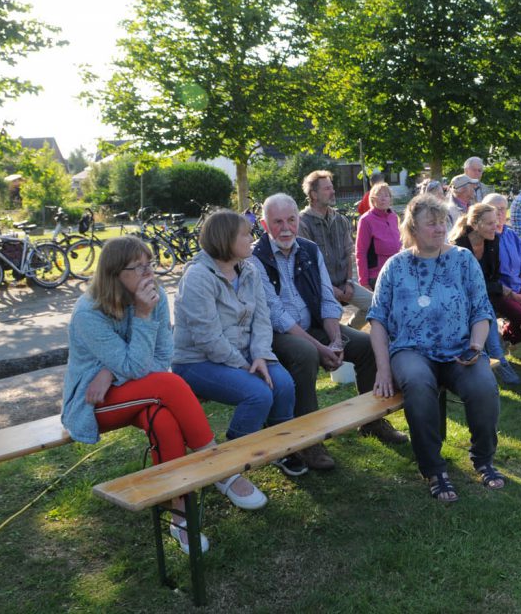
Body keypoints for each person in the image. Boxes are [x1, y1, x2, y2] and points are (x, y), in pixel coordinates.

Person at [63, 236, 225, 554]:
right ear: (115, 275)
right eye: (138, 267)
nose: (148, 273)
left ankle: (179, 516)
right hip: (91, 402)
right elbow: (140, 367)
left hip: (136, 391)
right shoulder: (88, 313)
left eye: (149, 263)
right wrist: (141, 316)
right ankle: (219, 467)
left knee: (162, 419)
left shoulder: (155, 296)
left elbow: (162, 356)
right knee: (170, 385)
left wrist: (111, 371)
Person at [255, 193, 408, 473]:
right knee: (305, 354)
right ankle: (309, 440)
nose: (286, 227)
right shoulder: (256, 258)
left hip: (314, 326)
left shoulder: (309, 249)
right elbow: (276, 315)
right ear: (265, 225)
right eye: (277, 222)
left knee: (366, 345)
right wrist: (321, 347)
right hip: (275, 335)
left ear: (298, 220)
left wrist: (336, 338)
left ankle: (372, 421)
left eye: (291, 219)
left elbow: (327, 298)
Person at [368, 194, 504, 502]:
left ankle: (483, 458)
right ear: (413, 228)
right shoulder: (395, 266)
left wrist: (475, 346)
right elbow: (377, 321)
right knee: (417, 382)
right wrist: (384, 369)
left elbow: (482, 310)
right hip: (411, 350)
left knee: (483, 386)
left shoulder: (462, 259)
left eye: (443, 221)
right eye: (431, 223)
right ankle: (433, 468)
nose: (440, 228)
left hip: (459, 349)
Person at [172, 211, 298, 503]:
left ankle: (279, 448)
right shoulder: (198, 278)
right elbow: (208, 338)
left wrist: (260, 356)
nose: (252, 239)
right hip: (196, 362)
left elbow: (263, 320)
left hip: (245, 355)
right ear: (226, 239)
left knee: (285, 384)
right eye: (245, 234)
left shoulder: (248, 270)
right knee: (258, 394)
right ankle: (227, 466)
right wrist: (246, 366)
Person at [450, 203, 521, 386]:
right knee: (485, 309)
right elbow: (459, 285)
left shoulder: (493, 241)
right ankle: (500, 361)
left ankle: (496, 360)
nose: (496, 226)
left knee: (488, 308)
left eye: (496, 221)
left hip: (486, 295)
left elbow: (494, 277)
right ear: (474, 225)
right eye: (490, 223)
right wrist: (493, 289)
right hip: (460, 301)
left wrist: (496, 289)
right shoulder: (458, 247)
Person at [297, 170, 372, 329]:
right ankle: (342, 339)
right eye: (327, 189)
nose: (333, 191)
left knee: (376, 305)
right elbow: (306, 266)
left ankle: (350, 334)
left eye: (332, 187)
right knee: (330, 324)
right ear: (314, 194)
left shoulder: (340, 220)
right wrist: (330, 289)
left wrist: (349, 282)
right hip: (318, 289)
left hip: (344, 284)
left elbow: (348, 253)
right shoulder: (302, 223)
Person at [482, 192, 521, 346]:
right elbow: (489, 280)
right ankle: (506, 336)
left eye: (503, 209)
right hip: (499, 294)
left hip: (519, 290)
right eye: (495, 209)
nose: (500, 213)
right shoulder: (486, 239)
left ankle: (506, 332)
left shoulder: (512, 235)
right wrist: (514, 296)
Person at [355, 182, 401, 290]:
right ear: (372, 199)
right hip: (377, 275)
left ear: (390, 199)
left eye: (386, 195)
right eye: (379, 195)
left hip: (397, 271)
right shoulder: (366, 220)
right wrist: (363, 282)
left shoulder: (393, 216)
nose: (383, 198)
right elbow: (360, 252)